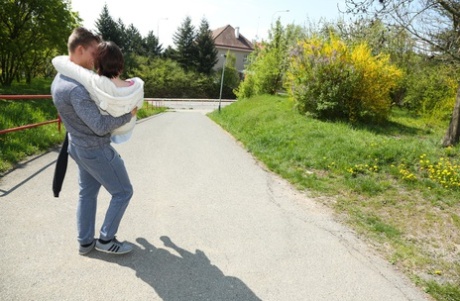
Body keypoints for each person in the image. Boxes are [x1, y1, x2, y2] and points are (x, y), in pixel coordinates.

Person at [51, 27, 137, 255]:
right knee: (123, 192)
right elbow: (99, 126)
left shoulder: (60, 79)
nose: (97, 58)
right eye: (93, 52)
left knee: (87, 193)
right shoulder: (76, 89)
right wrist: (128, 115)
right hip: (95, 150)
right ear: (80, 49)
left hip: (78, 147)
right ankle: (107, 240)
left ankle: (85, 242)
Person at [51, 42, 144, 144]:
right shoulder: (137, 86)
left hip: (110, 129)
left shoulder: (94, 82)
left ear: (97, 65)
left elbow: (61, 64)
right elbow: (138, 105)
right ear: (121, 64)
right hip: (127, 130)